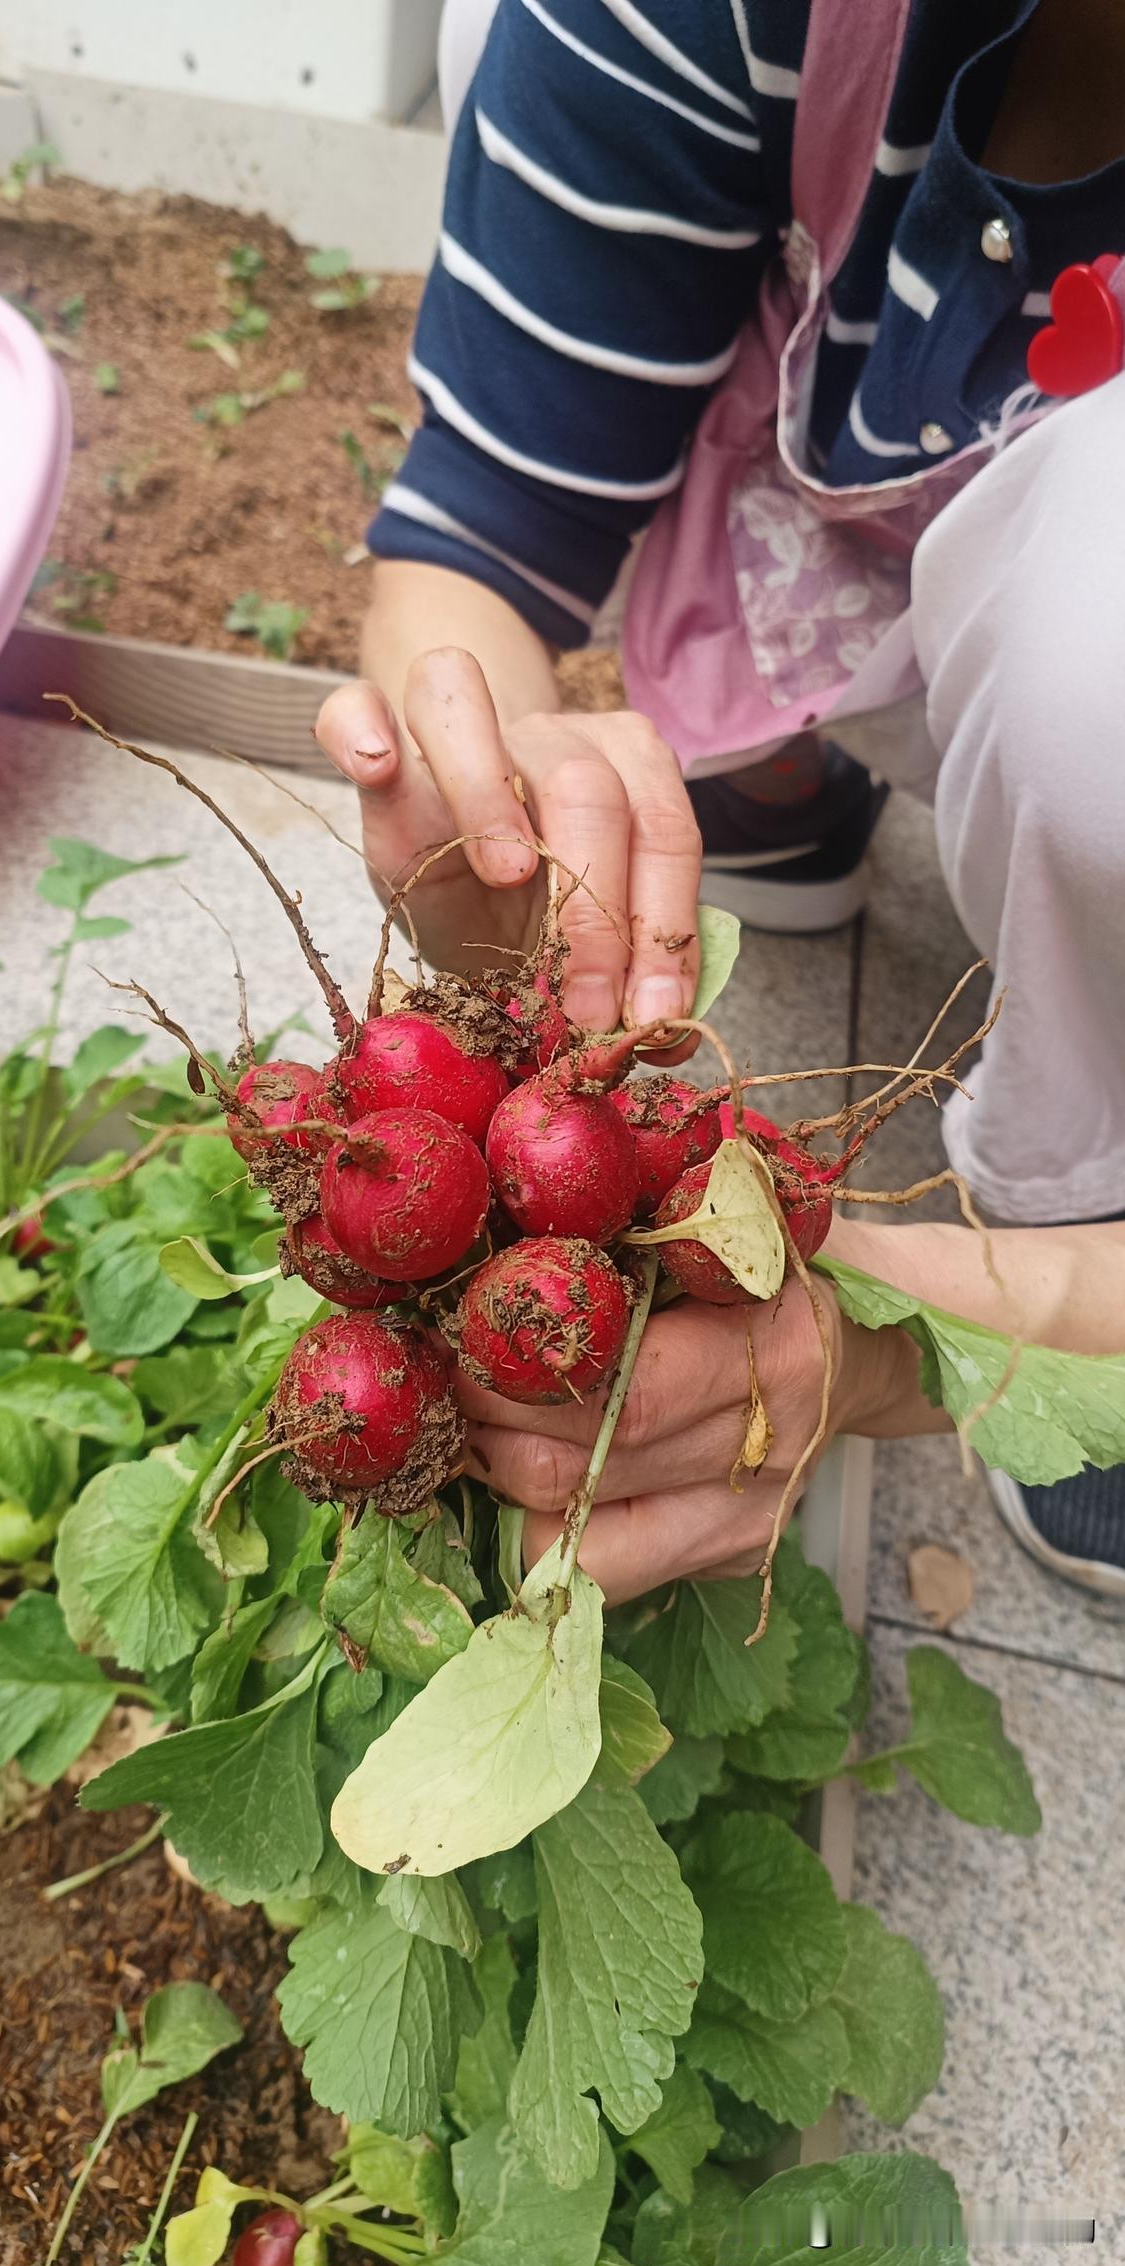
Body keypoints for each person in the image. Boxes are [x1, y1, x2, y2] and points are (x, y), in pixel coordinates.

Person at [314, 0, 1125, 1596]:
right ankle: (763, 773)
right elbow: (477, 535)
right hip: (846, 555)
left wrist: (923, 1328)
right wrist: (487, 760)